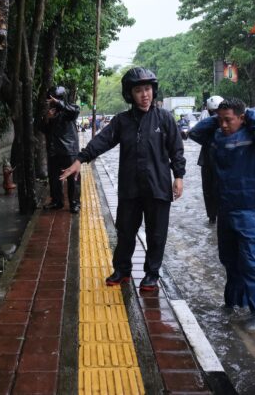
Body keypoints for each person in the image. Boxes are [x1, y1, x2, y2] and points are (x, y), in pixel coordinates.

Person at [60, 67, 185, 291]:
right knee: (126, 230)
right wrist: (81, 159)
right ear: (130, 94)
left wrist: (179, 177)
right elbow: (102, 141)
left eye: (147, 89)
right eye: (138, 90)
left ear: (153, 91)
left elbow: (176, 150)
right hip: (130, 188)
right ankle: (122, 270)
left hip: (158, 187)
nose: (144, 94)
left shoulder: (164, 119)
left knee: (157, 234)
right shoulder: (122, 121)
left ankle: (151, 274)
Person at [188, 98, 255, 316]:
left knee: (251, 262)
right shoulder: (216, 135)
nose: (224, 125)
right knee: (229, 260)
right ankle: (233, 305)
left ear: (242, 118)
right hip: (226, 206)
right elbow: (194, 133)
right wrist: (218, 117)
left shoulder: (254, 136)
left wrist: (250, 115)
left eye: (229, 120)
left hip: (250, 206)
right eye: (221, 120)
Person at [40, 86, 81, 213]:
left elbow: (74, 111)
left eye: (53, 99)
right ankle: (57, 201)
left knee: (72, 178)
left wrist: (58, 103)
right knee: (54, 178)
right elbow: (42, 129)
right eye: (50, 99)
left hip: (69, 149)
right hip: (54, 150)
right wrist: (47, 119)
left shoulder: (70, 109)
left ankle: (74, 203)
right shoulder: (51, 113)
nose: (50, 101)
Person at [198, 95, 224, 223]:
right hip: (207, 161)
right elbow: (194, 133)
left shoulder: (228, 123)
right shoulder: (208, 124)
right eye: (213, 112)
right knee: (208, 189)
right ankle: (212, 216)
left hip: (222, 162)